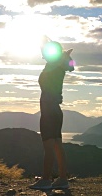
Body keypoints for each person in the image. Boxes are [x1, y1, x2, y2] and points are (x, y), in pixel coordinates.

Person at [29, 40, 74, 190]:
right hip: (56, 110)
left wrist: (62, 54)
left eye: (44, 53)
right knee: (57, 145)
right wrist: (65, 55)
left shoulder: (54, 65)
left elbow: (68, 65)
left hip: (48, 110)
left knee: (48, 145)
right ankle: (62, 179)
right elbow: (72, 67)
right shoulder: (59, 66)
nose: (42, 55)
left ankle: (46, 180)